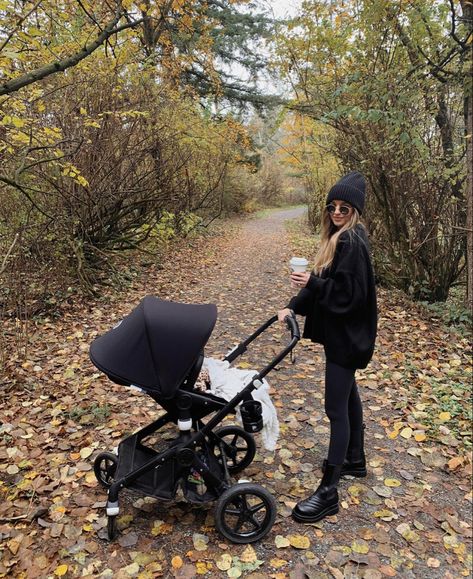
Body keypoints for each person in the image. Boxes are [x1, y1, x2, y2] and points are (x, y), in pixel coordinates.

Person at [278, 171, 377, 524]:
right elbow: (324, 283)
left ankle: (328, 491)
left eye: (344, 207)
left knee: (335, 408)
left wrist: (313, 285)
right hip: (345, 335)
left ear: (355, 211)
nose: (337, 212)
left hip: (347, 338)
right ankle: (355, 459)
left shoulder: (352, 242)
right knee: (348, 395)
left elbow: (348, 295)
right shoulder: (338, 239)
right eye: (332, 206)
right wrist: (294, 303)